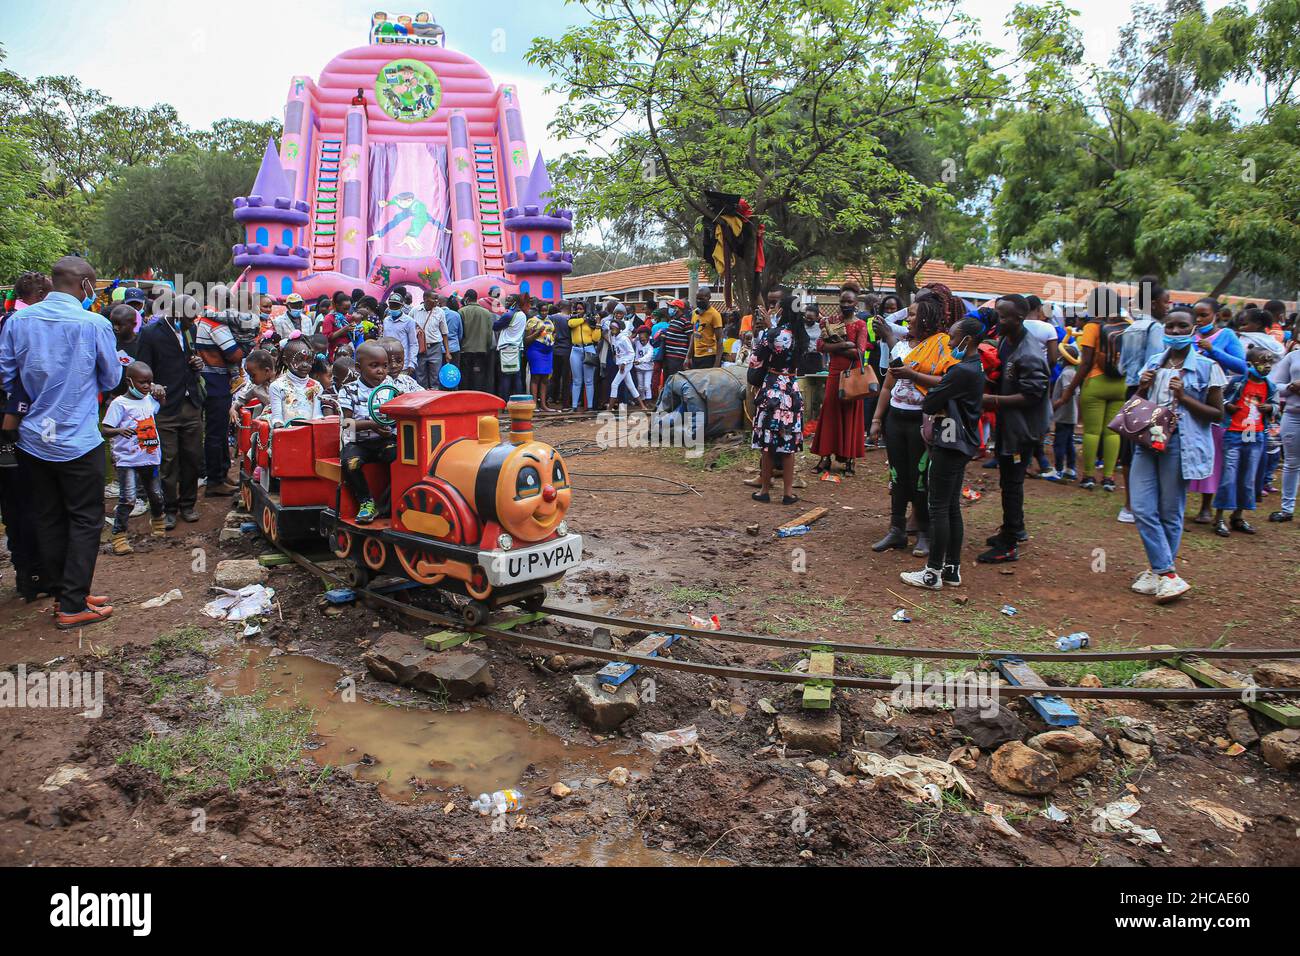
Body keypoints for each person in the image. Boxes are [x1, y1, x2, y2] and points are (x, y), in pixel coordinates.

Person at [0, 256, 122, 628]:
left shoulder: (18, 322)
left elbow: (6, 376)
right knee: (86, 520)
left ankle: (66, 590)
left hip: (34, 439)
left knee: (48, 516)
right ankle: (72, 605)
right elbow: (112, 377)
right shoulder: (94, 324)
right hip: (78, 440)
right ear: (86, 285)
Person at [1130, 310, 1226, 602]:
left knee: (1171, 511)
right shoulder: (1152, 363)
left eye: (1182, 325)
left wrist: (1184, 398)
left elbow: (1217, 414)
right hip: (1147, 440)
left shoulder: (1208, 368)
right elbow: (1135, 406)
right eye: (1170, 326)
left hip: (1180, 444)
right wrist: (1142, 387)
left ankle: (1158, 572)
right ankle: (1166, 573)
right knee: (1142, 507)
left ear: (1193, 328)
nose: (1175, 330)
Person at [900, 317, 986, 589]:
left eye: (953, 337)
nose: (949, 342)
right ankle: (951, 569)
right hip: (963, 442)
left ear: (967, 340)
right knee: (950, 508)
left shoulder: (961, 371)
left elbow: (930, 401)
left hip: (949, 441)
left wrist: (933, 392)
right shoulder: (976, 366)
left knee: (937, 507)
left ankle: (932, 572)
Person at [870, 293, 957, 557]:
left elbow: (947, 381)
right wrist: (876, 419)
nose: (907, 318)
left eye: (912, 314)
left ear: (927, 319)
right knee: (898, 476)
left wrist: (913, 374)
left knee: (921, 478)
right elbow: (887, 386)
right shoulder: (901, 347)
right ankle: (896, 529)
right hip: (896, 419)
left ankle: (924, 533)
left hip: (923, 420)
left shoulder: (942, 345)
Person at [978, 294, 1052, 563]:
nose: (998, 319)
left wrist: (992, 400)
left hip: (1024, 430)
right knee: (1008, 479)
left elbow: (1033, 394)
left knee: (1012, 482)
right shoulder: (1007, 342)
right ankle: (1015, 528)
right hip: (1009, 425)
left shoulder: (1029, 353)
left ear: (1019, 318)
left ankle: (1009, 543)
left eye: (1003, 316)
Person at [137, 293, 205, 529]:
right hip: (165, 407)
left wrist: (197, 364)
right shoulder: (150, 333)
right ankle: (169, 508)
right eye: (189, 317)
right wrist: (151, 385)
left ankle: (188, 505)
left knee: (193, 457)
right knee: (168, 460)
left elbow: (190, 360)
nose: (193, 320)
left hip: (191, 404)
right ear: (176, 314)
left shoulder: (191, 330)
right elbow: (142, 368)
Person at [1056, 285, 1128, 492]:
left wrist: (1069, 392)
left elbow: (1085, 363)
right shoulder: (1128, 325)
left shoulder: (1092, 327)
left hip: (1095, 382)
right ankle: (1109, 477)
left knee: (1092, 432)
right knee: (1113, 433)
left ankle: (1088, 476)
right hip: (1120, 384)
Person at [1117, 276, 1171, 522]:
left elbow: (1121, 367)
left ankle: (1129, 505)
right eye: (1165, 302)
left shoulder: (1130, 327)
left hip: (1131, 392)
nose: (1168, 307)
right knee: (1153, 446)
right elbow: (1154, 364)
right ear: (1153, 302)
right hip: (1149, 392)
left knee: (1129, 449)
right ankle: (1146, 506)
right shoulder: (1156, 328)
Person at [1187, 297, 1245, 523]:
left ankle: (1206, 507)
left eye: (1204, 315)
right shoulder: (1188, 335)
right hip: (1188, 400)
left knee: (1213, 453)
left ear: (1216, 315)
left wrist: (1213, 351)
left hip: (1215, 403)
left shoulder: (1227, 336)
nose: (1199, 320)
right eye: (1196, 315)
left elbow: (1241, 366)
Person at [101, 361, 166, 555]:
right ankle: (119, 536)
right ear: (129, 381)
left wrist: (161, 393)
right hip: (127, 460)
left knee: (156, 494)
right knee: (128, 498)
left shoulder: (148, 399)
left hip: (150, 457)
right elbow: (105, 429)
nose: (147, 386)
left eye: (150, 382)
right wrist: (120, 430)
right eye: (142, 382)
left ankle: (158, 521)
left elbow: (160, 406)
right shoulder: (119, 404)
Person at [749, 292, 808, 505]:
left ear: (781, 310)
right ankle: (788, 493)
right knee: (788, 443)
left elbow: (756, 359)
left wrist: (767, 328)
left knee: (768, 443)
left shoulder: (773, 334)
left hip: (772, 389)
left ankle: (764, 490)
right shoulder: (802, 336)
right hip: (792, 390)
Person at [1211, 347, 1277, 536]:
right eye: (1262, 362)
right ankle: (1219, 517)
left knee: (1248, 477)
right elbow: (1220, 398)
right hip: (1234, 433)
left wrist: (1270, 408)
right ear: (1250, 364)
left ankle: (1238, 516)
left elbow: (1275, 405)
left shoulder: (1269, 386)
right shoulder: (1238, 382)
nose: (1266, 367)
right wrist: (1227, 406)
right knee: (1229, 475)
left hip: (1255, 435)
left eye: (1269, 363)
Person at [338, 341, 401, 524]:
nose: (381, 371)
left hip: (384, 440)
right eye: (374, 366)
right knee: (350, 463)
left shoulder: (392, 388)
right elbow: (347, 424)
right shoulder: (349, 390)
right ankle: (366, 501)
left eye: (384, 365)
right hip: (358, 442)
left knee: (400, 457)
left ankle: (387, 504)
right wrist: (371, 425)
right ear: (359, 368)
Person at [811, 287, 870, 475]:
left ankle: (849, 459)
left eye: (849, 302)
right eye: (843, 301)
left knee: (850, 413)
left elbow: (859, 351)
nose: (845, 305)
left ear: (856, 303)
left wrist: (833, 347)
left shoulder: (860, 324)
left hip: (853, 374)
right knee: (829, 412)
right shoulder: (830, 321)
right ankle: (825, 457)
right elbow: (820, 346)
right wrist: (844, 344)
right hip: (834, 373)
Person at [194, 297, 246, 496]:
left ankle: (222, 473)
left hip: (209, 380)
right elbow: (234, 354)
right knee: (216, 432)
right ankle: (215, 480)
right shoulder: (216, 325)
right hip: (215, 383)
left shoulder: (202, 320)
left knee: (219, 431)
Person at [1267, 342, 1300, 522]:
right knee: (1292, 463)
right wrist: (1290, 387)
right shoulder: (1293, 356)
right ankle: (1287, 509)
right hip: (1294, 416)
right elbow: (1274, 385)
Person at [268, 339, 325, 426]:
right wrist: (280, 427)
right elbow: (277, 417)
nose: (305, 364)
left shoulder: (316, 386)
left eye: (309, 360)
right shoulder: (277, 386)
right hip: (286, 433)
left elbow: (316, 415)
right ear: (286, 361)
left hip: (310, 434)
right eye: (299, 360)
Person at [1047, 340, 1081, 480]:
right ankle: (1070, 469)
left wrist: (1054, 405)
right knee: (1068, 443)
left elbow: (1067, 392)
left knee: (1059, 443)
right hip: (1071, 415)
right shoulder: (1073, 373)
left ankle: (1058, 470)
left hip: (1064, 414)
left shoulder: (1067, 374)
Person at [457, 288, 495, 392]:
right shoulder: (487, 313)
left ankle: (466, 398)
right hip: (481, 350)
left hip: (465, 350)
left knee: (465, 376)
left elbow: (460, 333)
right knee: (478, 376)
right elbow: (489, 334)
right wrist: (487, 347)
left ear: (467, 298)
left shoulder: (461, 312)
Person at [411, 289, 448, 389]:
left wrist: (447, 352)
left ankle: (435, 397)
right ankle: (423, 398)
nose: (437, 301)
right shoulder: (415, 311)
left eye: (437, 299)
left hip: (435, 347)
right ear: (425, 299)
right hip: (420, 348)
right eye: (434, 299)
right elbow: (409, 328)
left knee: (435, 376)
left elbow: (444, 333)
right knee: (420, 376)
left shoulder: (440, 312)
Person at [606, 318, 645, 410]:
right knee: (630, 385)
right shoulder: (615, 338)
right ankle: (643, 406)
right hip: (621, 364)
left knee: (614, 384)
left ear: (619, 328)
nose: (611, 330)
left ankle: (609, 409)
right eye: (611, 328)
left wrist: (623, 363)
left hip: (626, 364)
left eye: (613, 328)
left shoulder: (624, 338)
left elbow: (631, 353)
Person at [569, 304, 602, 410]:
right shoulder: (573, 319)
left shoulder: (591, 321)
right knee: (577, 380)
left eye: (581, 308)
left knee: (589, 381)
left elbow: (596, 338)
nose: (579, 310)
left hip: (589, 349)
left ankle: (590, 406)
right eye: (577, 308)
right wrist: (583, 319)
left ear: (585, 309)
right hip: (576, 350)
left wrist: (597, 324)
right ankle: (574, 406)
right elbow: (571, 324)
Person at [493, 297, 528, 398]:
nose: (506, 302)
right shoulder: (522, 315)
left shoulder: (508, 315)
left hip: (506, 349)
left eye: (509, 300)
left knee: (505, 377)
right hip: (517, 348)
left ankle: (505, 402)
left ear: (515, 302)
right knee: (517, 376)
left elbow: (495, 326)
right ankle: (518, 402)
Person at [382, 292, 420, 376]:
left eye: (396, 305)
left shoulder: (409, 321)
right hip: (387, 364)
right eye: (392, 305)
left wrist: (412, 363)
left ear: (401, 306)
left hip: (403, 365)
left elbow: (413, 343)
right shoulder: (386, 320)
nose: (394, 308)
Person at [526, 306, 556, 411]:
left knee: (545, 378)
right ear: (538, 311)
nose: (544, 312)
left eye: (546, 310)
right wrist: (538, 332)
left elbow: (553, 331)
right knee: (536, 377)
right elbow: (527, 339)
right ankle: (533, 404)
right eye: (542, 310)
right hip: (536, 350)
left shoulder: (550, 320)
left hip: (548, 351)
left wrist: (553, 337)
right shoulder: (532, 321)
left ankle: (543, 405)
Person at [687, 287, 724, 369]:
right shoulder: (695, 313)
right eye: (697, 299)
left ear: (709, 298)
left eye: (701, 299)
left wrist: (716, 364)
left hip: (709, 356)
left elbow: (720, 340)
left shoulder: (715, 315)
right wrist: (688, 357)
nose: (698, 301)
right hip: (696, 356)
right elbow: (694, 334)